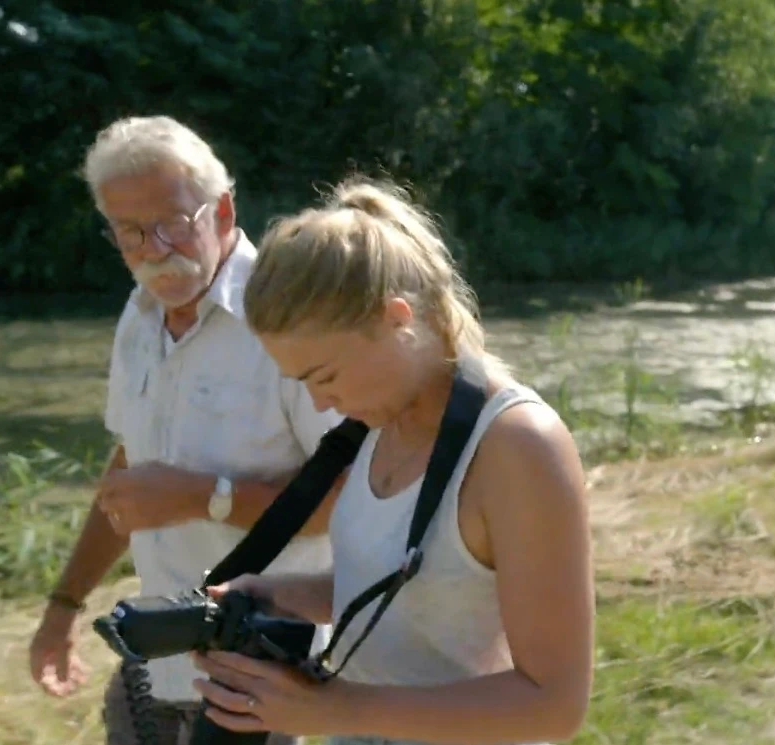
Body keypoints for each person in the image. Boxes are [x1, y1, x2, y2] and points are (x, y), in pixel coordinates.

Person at [187, 177, 594, 745]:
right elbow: (419, 586)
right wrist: (274, 594)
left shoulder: (517, 446)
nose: (320, 403)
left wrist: (336, 710)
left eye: (324, 376)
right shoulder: (380, 424)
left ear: (395, 317)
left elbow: (553, 705)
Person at [26, 115, 345, 745]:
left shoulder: (289, 311)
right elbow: (128, 475)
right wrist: (63, 606)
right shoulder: (141, 314)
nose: (155, 249)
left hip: (275, 675)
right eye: (131, 232)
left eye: (174, 222)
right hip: (156, 662)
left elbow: (352, 496)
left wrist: (202, 496)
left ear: (222, 211)